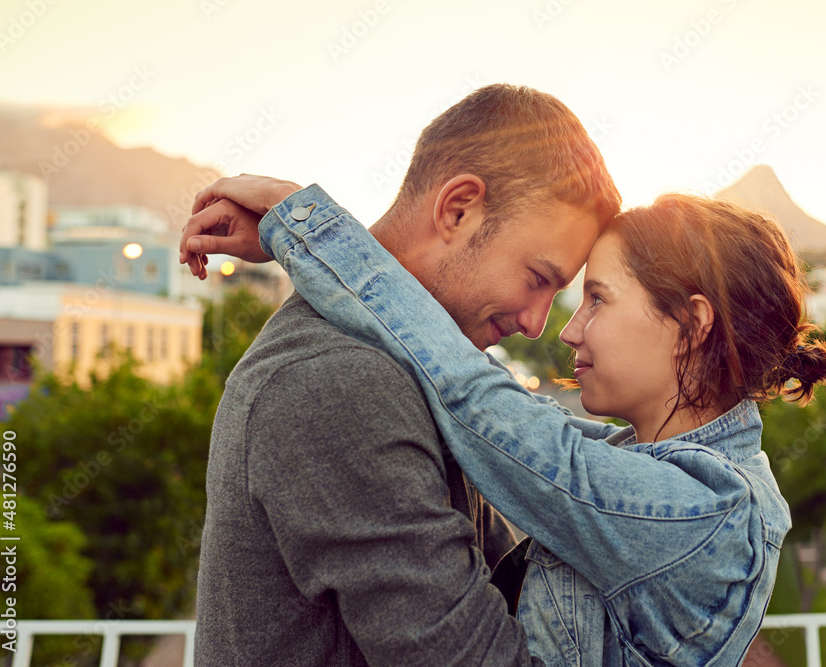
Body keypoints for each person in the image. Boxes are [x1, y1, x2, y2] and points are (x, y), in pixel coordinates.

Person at [185, 180, 826, 665]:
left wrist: (301, 223)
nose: (568, 329)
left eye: (597, 299)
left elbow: (479, 403)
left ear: (693, 324)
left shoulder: (699, 509)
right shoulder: (667, 480)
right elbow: (483, 427)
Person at [182, 84, 621, 666]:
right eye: (537, 278)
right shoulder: (339, 381)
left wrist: (304, 223)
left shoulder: (401, 367)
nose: (538, 324)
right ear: (457, 209)